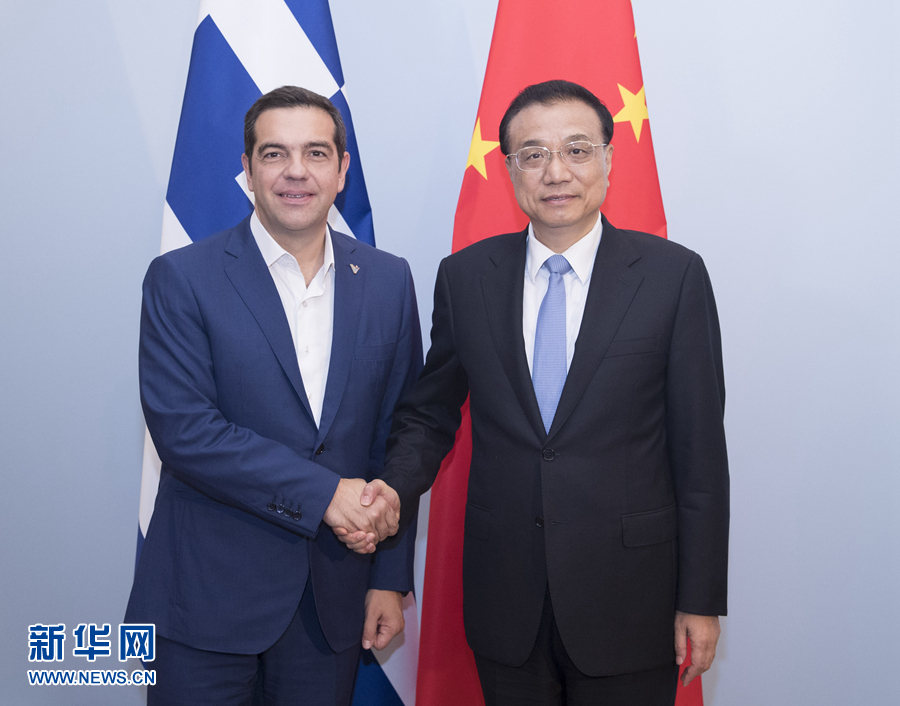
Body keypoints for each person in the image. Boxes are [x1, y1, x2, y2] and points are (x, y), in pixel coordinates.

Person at [347, 80, 729, 706]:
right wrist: (391, 489)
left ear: (609, 158)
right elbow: (430, 415)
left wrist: (701, 598)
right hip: (507, 597)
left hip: (632, 597)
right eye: (533, 154)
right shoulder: (466, 277)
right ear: (509, 168)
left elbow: (701, 454)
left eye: (577, 150)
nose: (556, 172)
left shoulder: (673, 276)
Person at [125, 85, 422, 706]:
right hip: (204, 604)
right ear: (247, 169)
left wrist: (389, 577)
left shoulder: (389, 280)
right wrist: (326, 496)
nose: (295, 171)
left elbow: (399, 431)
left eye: (316, 153)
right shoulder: (182, 278)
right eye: (274, 153)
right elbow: (187, 433)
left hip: (331, 607)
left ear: (342, 169)